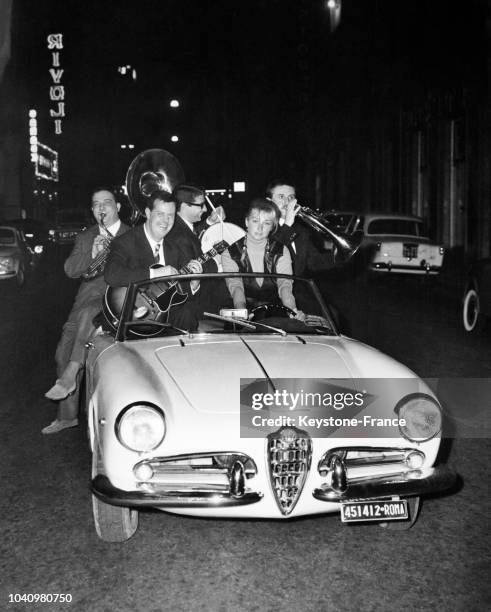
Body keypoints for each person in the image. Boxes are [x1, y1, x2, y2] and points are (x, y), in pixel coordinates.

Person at [43, 187, 129, 434]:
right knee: (62, 352)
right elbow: (71, 270)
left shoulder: (132, 235)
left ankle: (78, 384)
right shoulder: (86, 237)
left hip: (118, 300)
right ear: (92, 210)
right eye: (96, 204)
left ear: (118, 207)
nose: (102, 208)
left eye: (107, 203)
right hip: (84, 301)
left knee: (89, 321)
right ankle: (67, 416)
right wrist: (92, 255)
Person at [104, 189, 203, 330]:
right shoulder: (125, 242)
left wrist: (193, 284)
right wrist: (154, 273)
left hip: (163, 317)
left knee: (188, 313)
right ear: (148, 213)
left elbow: (181, 293)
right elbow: (111, 275)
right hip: (129, 314)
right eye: (160, 214)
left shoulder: (176, 246)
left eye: (170, 215)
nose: (166, 221)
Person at [220, 197, 303, 316]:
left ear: (272, 227)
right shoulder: (229, 252)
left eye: (267, 223)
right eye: (255, 221)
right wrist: (241, 311)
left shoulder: (282, 250)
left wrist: (292, 309)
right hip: (242, 310)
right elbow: (235, 286)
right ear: (246, 222)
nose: (260, 228)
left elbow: (284, 284)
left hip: (276, 311)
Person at [266, 178, 314, 277]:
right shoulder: (262, 227)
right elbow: (271, 261)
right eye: (281, 196)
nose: (287, 202)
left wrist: (339, 255)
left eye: (291, 197)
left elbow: (314, 262)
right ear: (269, 202)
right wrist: (287, 224)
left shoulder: (301, 230)